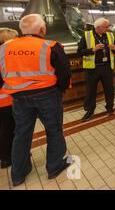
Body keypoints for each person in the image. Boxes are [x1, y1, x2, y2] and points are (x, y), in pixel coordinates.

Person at [0, 14, 71, 186]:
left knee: (21, 134)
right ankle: (54, 167)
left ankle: (18, 174)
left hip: (18, 98)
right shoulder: (51, 46)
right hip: (47, 95)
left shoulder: (4, 48)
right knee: (53, 130)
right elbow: (64, 73)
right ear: (42, 29)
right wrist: (60, 90)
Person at [78, 18, 115, 122]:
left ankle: (110, 108)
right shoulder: (86, 36)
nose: (107, 28)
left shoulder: (110, 35)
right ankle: (90, 111)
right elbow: (80, 51)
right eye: (105, 27)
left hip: (107, 67)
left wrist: (114, 48)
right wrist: (93, 49)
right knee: (91, 91)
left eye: (108, 26)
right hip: (92, 69)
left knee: (109, 89)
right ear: (98, 27)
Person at [0, 28, 18, 169]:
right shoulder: (5, 56)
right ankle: (8, 157)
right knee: (9, 128)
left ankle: (4, 156)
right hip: (6, 99)